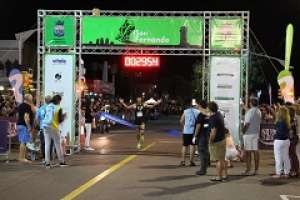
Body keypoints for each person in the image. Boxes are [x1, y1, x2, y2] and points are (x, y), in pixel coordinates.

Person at [43, 95, 67, 168]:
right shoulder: (58, 108)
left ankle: (47, 163)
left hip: (45, 126)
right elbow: (59, 120)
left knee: (47, 144)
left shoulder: (48, 106)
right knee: (57, 144)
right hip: (54, 127)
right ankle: (61, 161)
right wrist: (64, 116)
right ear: (59, 100)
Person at [208, 101, 227, 181]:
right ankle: (224, 175)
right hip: (222, 139)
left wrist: (210, 141)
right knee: (222, 159)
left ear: (209, 109)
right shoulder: (219, 115)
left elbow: (213, 132)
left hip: (217, 141)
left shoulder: (213, 118)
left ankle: (219, 176)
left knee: (218, 160)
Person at [242, 98, 262, 176]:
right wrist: (244, 107)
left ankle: (248, 170)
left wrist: (242, 131)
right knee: (256, 152)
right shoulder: (258, 111)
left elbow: (247, 124)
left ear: (250, 103)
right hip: (256, 133)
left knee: (248, 152)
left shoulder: (249, 112)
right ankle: (256, 170)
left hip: (248, 134)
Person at [179, 99, 200, 167]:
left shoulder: (185, 111)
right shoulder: (197, 111)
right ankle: (191, 161)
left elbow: (181, 121)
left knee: (185, 146)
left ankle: (183, 161)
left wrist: (183, 128)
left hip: (186, 131)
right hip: (194, 131)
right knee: (192, 145)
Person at [273, 106, 291, 178]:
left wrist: (275, 136)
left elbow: (278, 132)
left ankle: (278, 173)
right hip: (286, 140)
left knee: (278, 157)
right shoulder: (287, 122)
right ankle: (287, 172)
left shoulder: (279, 122)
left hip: (279, 141)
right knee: (286, 157)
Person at [16, 94, 35, 162]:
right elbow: (26, 117)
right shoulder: (27, 106)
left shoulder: (20, 105)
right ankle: (21, 158)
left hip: (20, 124)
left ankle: (22, 157)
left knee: (23, 142)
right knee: (23, 142)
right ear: (28, 99)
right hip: (24, 125)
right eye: (31, 97)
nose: (32, 98)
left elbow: (17, 115)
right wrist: (29, 126)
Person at [193, 100, 210, 175]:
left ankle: (202, 170)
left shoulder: (200, 115)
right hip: (207, 135)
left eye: (197, 105)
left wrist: (195, 136)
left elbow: (198, 126)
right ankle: (205, 167)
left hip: (201, 136)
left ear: (200, 105)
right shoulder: (208, 114)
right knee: (205, 152)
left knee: (202, 153)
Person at [35, 95, 53, 163]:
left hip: (43, 128)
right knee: (50, 143)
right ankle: (49, 158)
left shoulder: (41, 108)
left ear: (45, 101)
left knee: (43, 143)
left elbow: (36, 119)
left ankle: (44, 158)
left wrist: (38, 126)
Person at [287, 106, 299, 177]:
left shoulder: (293, 119)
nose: (288, 112)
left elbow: (292, 130)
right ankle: (294, 170)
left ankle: (295, 170)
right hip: (293, 138)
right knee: (292, 155)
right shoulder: (292, 119)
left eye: (289, 111)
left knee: (293, 155)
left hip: (293, 138)